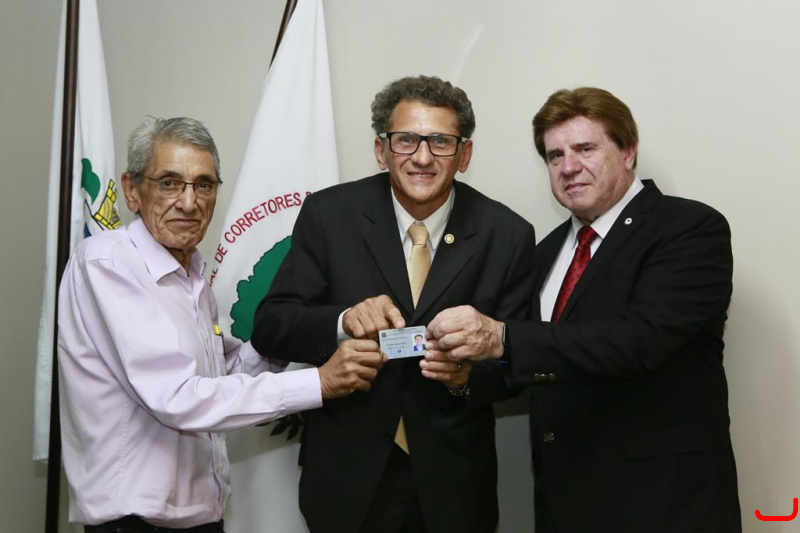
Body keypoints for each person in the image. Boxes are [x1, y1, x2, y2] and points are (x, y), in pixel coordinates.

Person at [426, 87, 742, 532]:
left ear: (628, 151)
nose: (569, 166)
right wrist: (464, 376)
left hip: (665, 506)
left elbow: (639, 342)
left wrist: (500, 338)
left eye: (585, 149)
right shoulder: (545, 252)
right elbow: (531, 361)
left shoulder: (689, 229)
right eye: (555, 156)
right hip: (565, 504)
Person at [57, 117, 385, 533]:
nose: (189, 202)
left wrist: (319, 326)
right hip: (134, 524)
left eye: (204, 185)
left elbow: (221, 375)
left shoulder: (191, 274)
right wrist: (319, 383)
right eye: (169, 183)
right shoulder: (108, 262)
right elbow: (178, 397)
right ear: (131, 190)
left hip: (200, 519)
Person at [251, 75, 536, 533]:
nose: (422, 157)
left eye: (440, 142)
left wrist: (466, 377)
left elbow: (519, 361)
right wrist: (343, 321)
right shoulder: (329, 215)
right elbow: (270, 326)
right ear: (381, 150)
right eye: (406, 140)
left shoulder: (508, 234)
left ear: (464, 155)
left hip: (455, 486)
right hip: (347, 480)